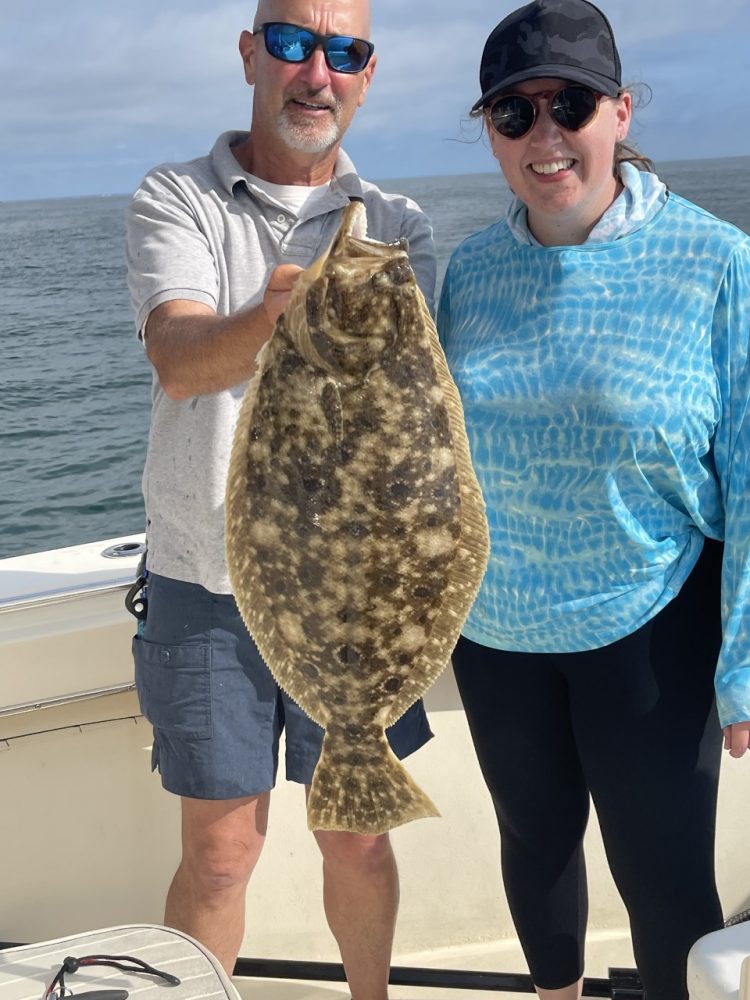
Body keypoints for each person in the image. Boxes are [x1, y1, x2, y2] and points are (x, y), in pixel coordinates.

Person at [436, 2, 750, 999]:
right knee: (533, 841)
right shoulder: (469, 272)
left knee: (664, 879)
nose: (546, 135)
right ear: (490, 131)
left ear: (620, 111)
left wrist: (746, 658)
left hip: (651, 624)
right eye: (513, 113)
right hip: (494, 629)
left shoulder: (717, 262)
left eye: (569, 104)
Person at [125, 1, 436, 994]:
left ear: (367, 74)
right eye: (294, 43)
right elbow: (179, 361)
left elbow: (425, 411)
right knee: (222, 855)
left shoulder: (397, 227)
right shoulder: (178, 196)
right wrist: (272, 320)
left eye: (344, 52)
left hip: (357, 589)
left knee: (358, 837)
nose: (317, 72)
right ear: (252, 53)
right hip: (206, 582)